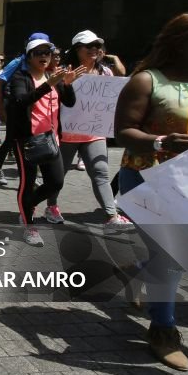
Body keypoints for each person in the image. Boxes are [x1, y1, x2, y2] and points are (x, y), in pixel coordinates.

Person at [114, 11, 188, 371]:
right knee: (171, 256)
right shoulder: (146, 81)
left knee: (186, 253)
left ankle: (137, 271)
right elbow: (123, 132)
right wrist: (162, 141)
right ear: (181, 43)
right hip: (148, 179)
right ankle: (163, 330)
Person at [46, 30, 135, 232]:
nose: (95, 49)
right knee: (58, 176)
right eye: (89, 46)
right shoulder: (62, 71)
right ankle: (51, 207)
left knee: (101, 172)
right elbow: (52, 99)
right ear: (78, 49)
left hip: (95, 132)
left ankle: (111, 216)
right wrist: (65, 83)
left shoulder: (105, 72)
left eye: (97, 46)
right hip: (68, 133)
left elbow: (119, 84)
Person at [7, 38, 85, 246]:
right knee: (28, 183)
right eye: (38, 53)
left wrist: (66, 84)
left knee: (55, 183)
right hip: (28, 140)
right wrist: (47, 86)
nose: (44, 57)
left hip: (51, 139)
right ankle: (28, 225)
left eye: (47, 53)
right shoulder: (20, 77)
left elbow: (69, 102)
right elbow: (19, 101)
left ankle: (27, 206)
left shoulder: (54, 76)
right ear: (29, 56)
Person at [0, 32, 52, 185]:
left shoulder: (48, 65)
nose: (43, 54)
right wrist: (2, 109)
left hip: (36, 111)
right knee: (10, 140)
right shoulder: (18, 62)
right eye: (38, 50)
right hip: (15, 108)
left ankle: (35, 173)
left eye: (46, 51)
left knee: (37, 139)